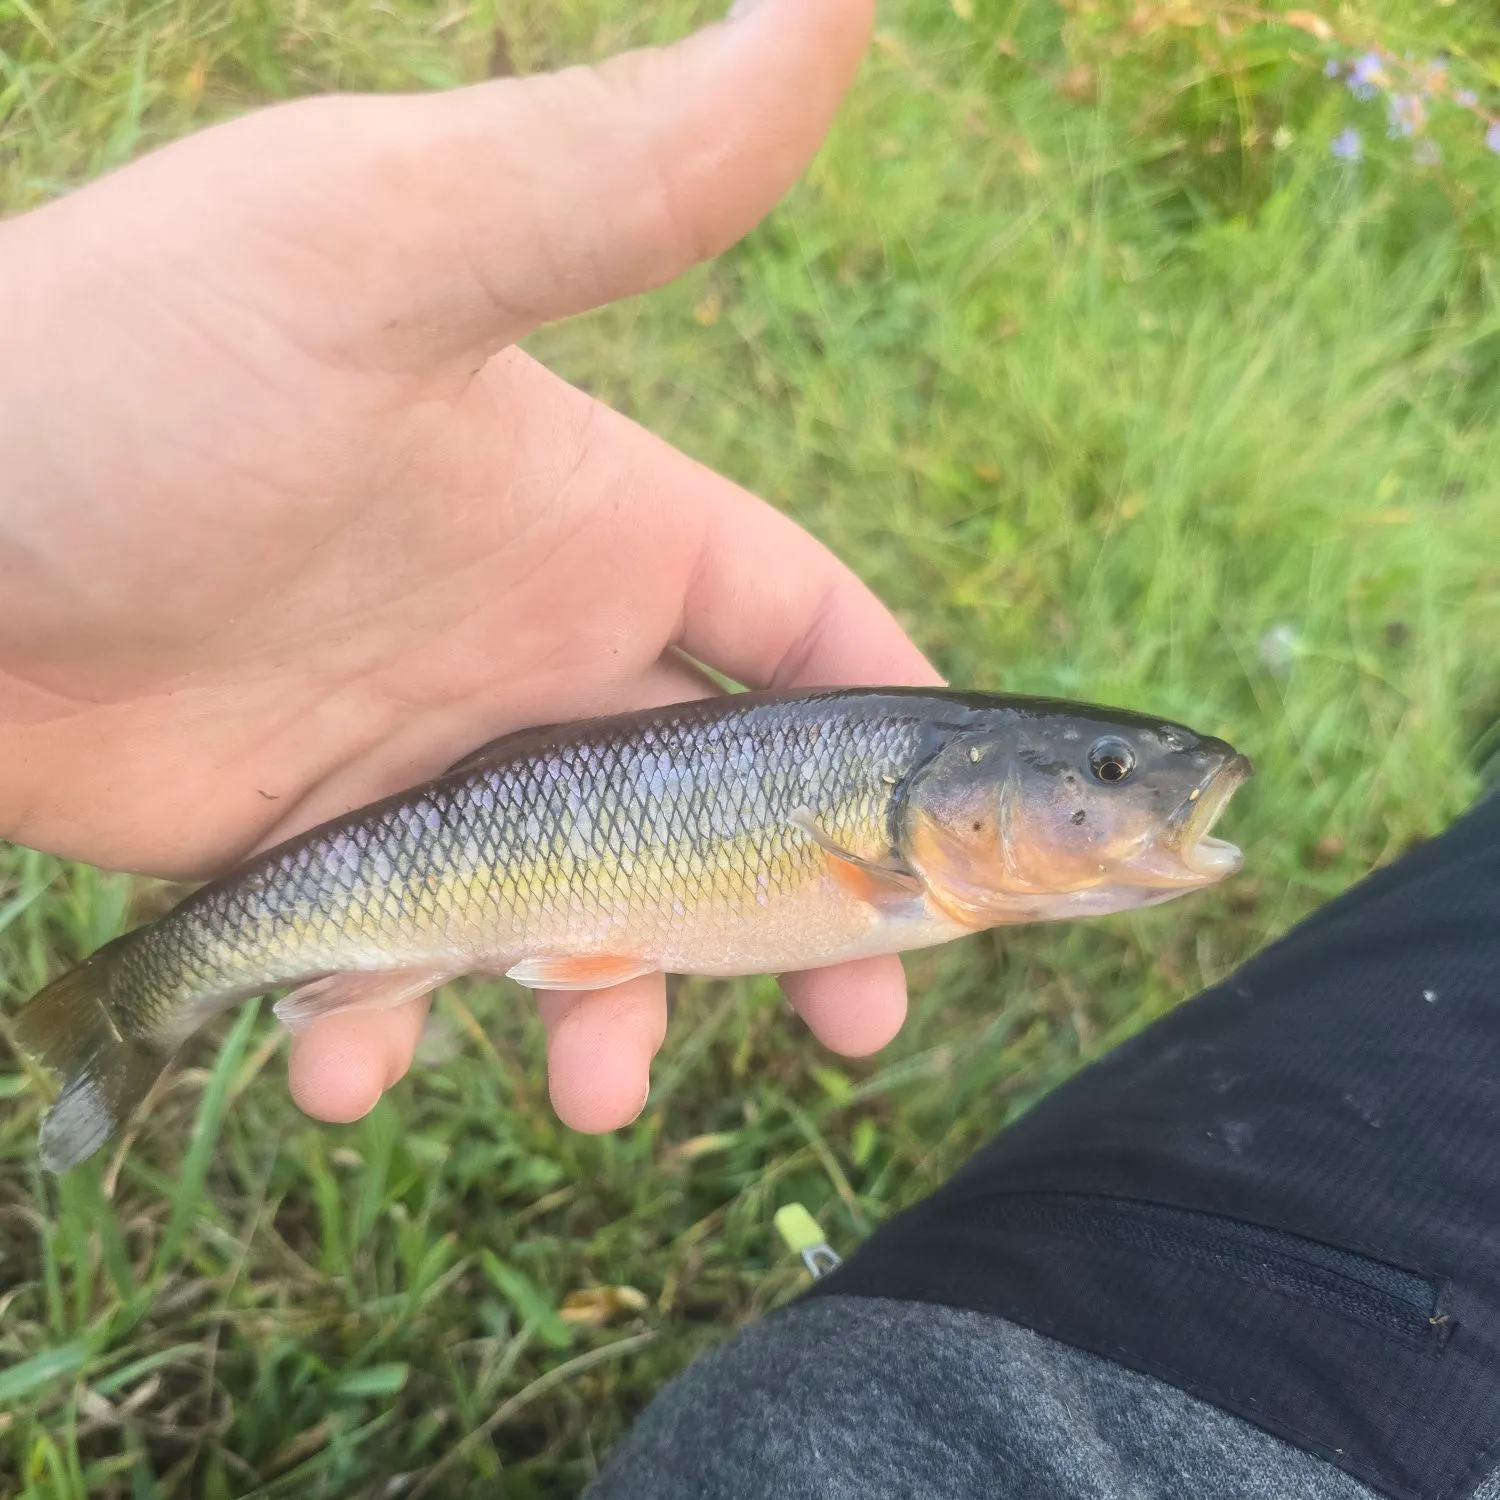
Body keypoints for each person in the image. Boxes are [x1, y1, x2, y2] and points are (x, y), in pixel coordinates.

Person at [2, 5, 1496, 1498]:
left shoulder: (912, 854)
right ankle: (143, 994)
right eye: (1104, 779)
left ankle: (143, 995)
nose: (1138, 797)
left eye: (1118, 784)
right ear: (975, 793)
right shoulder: (884, 852)